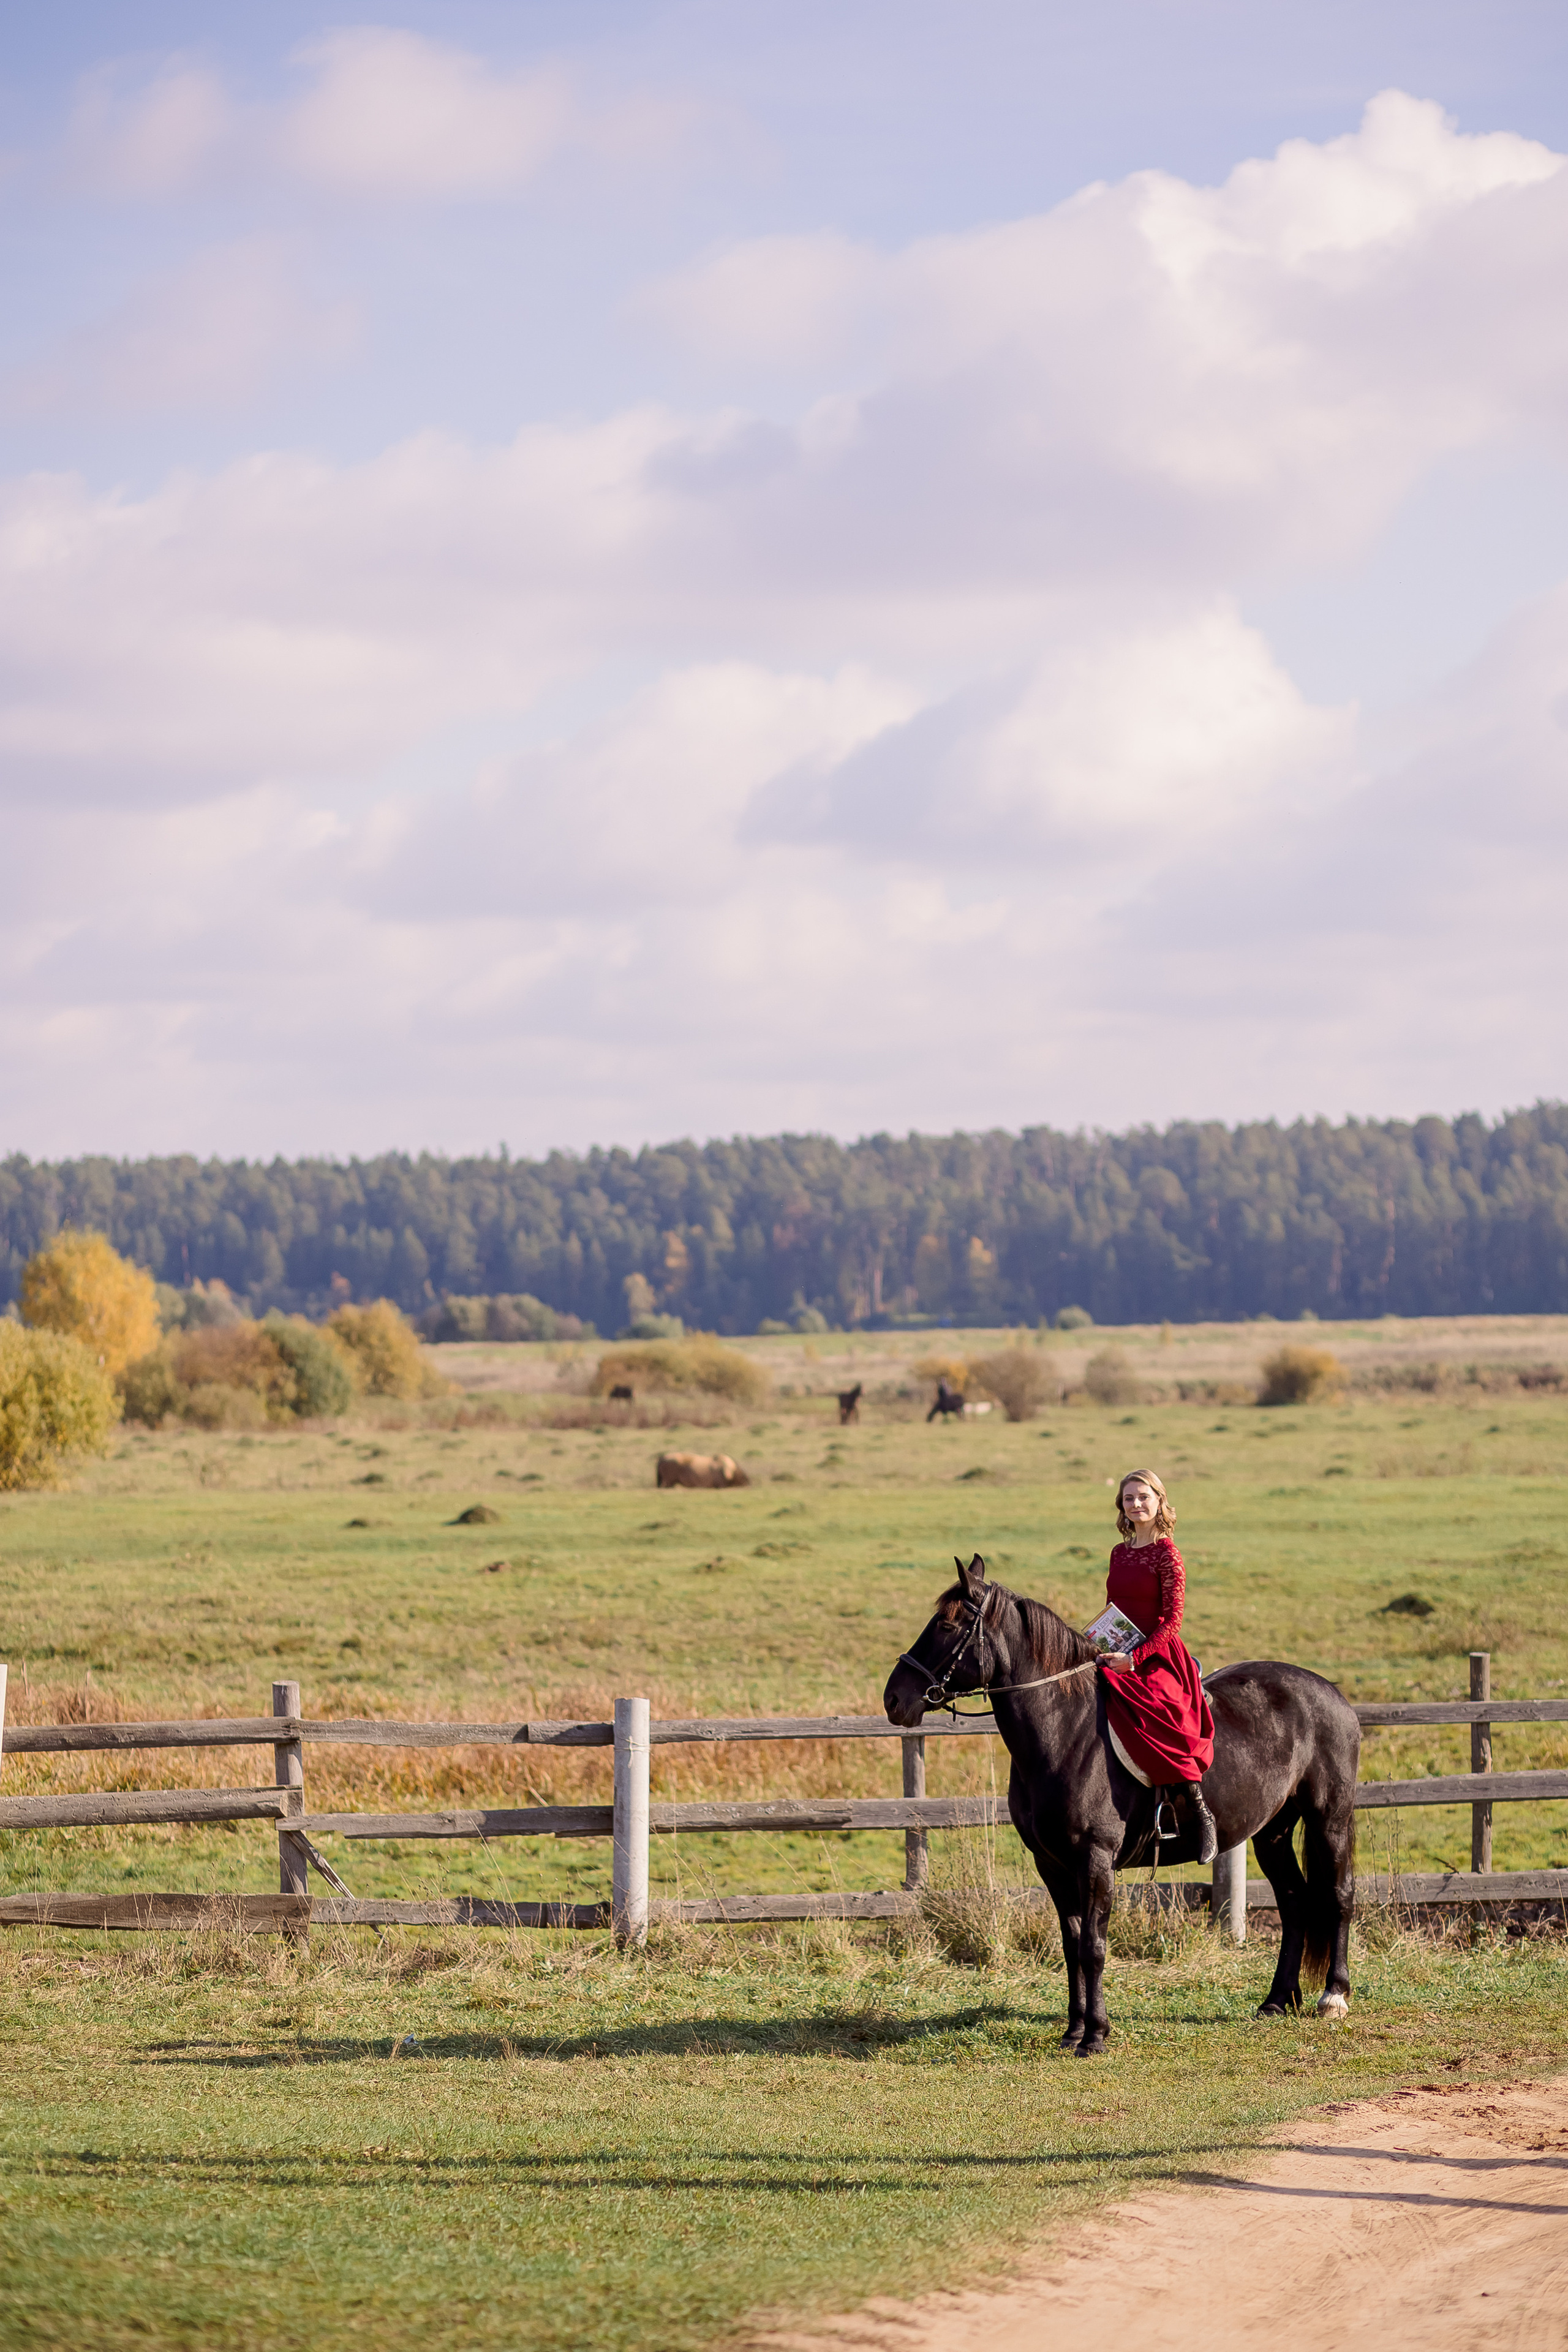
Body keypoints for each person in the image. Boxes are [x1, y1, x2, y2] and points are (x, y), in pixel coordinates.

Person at [1099, 1468, 1218, 1861]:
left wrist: (1135, 1658)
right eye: (1129, 1498)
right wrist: (1098, 1644)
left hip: (1158, 1654)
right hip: (1117, 1647)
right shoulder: (1120, 1552)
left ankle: (1200, 1813)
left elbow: (1173, 1620)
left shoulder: (1168, 1553)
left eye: (1143, 1497)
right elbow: (1113, 1610)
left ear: (1159, 1501)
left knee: (1168, 1714)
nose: (1135, 1504)